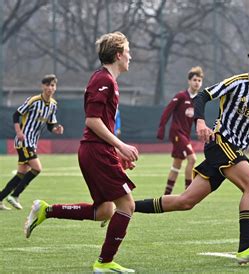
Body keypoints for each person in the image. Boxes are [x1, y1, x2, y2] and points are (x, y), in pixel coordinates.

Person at [134, 44, 249, 264]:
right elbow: (203, 96)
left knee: (185, 201)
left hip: (232, 150)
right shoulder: (237, 83)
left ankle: (128, 205)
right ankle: (246, 248)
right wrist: (201, 121)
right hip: (221, 142)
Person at [24, 31, 139, 273]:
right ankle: (104, 262)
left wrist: (116, 152)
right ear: (118, 55)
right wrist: (120, 145)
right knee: (126, 206)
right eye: (128, 51)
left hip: (97, 150)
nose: (131, 56)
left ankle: (46, 210)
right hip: (96, 151)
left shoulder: (108, 80)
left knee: (105, 210)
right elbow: (92, 121)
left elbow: (100, 124)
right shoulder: (103, 80)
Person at [0, 75, 64, 211]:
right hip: (24, 140)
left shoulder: (53, 105)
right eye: (47, 85)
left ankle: (1, 198)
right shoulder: (33, 101)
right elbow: (16, 115)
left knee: (21, 173)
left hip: (32, 142)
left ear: (55, 88)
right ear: (43, 86)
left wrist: (56, 129)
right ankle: (15, 195)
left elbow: (50, 125)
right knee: (37, 168)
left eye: (52, 85)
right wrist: (18, 132)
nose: (50, 88)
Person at [156, 66, 204, 194]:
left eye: (199, 80)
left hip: (185, 135)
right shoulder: (181, 96)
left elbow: (197, 118)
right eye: (194, 80)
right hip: (177, 133)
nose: (197, 83)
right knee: (192, 159)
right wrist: (162, 128)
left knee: (177, 165)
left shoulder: (198, 100)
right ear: (189, 81)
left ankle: (166, 195)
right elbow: (167, 111)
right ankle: (189, 192)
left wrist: (200, 130)